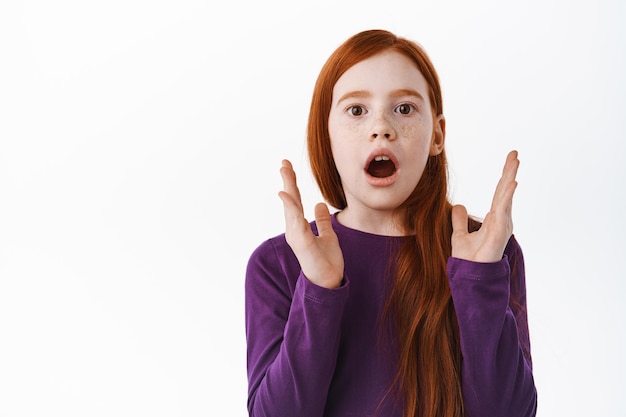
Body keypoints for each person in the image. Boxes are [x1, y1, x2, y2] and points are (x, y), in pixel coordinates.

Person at [245, 29, 537, 417]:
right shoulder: (276, 263)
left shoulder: (488, 251)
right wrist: (317, 291)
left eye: (404, 108)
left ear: (437, 135)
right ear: (326, 135)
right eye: (356, 110)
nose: (381, 127)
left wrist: (479, 280)